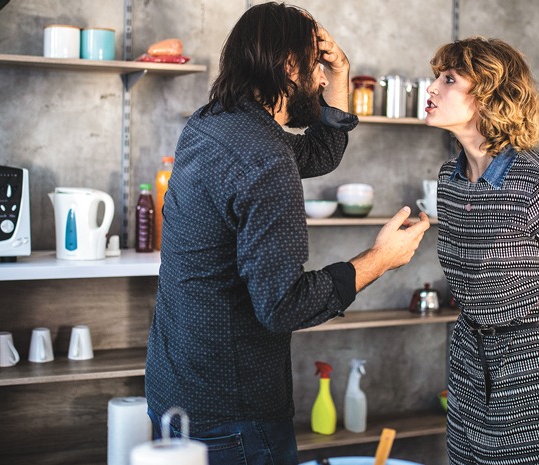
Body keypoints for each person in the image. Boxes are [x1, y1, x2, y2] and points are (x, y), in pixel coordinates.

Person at [144, 3, 430, 464]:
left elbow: (317, 153)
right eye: (316, 66)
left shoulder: (211, 124)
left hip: (175, 389)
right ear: (289, 65)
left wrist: (341, 74)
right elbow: (283, 305)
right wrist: (382, 258)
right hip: (233, 416)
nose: (321, 79)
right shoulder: (265, 159)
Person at [425, 37, 539, 464]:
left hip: (537, 376)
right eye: (436, 76)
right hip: (469, 365)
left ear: (491, 95)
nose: (432, 88)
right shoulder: (449, 182)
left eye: (449, 79)